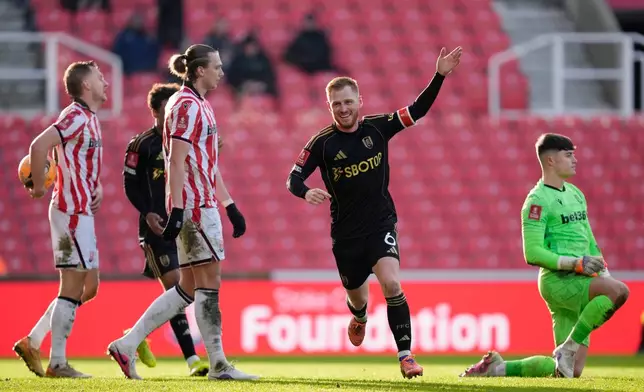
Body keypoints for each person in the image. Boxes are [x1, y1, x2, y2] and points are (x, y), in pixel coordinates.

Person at [286, 47, 462, 379]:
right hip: (345, 235)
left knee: (392, 284)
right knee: (356, 296)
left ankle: (406, 356)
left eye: (348, 101)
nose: (343, 108)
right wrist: (305, 190)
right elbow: (293, 177)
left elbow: (417, 110)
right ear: (329, 107)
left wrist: (439, 75)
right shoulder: (322, 143)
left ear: (359, 102)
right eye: (336, 104)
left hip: (381, 223)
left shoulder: (379, 128)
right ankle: (360, 315)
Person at [108, 44, 257, 381]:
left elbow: (205, 163)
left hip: (200, 203)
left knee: (187, 288)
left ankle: (127, 343)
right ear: (200, 70)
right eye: (216, 67)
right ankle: (218, 364)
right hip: (195, 207)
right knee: (209, 282)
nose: (221, 72)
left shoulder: (196, 104)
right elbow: (176, 159)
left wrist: (229, 204)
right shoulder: (188, 105)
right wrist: (177, 209)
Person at [460, 133, 630, 378]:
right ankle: (568, 348)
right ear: (550, 161)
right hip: (559, 280)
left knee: (570, 371)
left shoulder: (576, 194)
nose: (575, 160)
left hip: (580, 277)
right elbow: (532, 252)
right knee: (619, 292)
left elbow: (588, 238)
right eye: (568, 155)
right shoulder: (537, 201)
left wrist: (603, 270)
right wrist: (575, 263)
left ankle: (498, 367)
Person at [13, 60, 108, 378]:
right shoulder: (74, 116)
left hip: (83, 211)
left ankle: (33, 340)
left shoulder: (91, 119)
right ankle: (58, 362)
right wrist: (39, 188)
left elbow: (79, 161)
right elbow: (38, 146)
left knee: (89, 287)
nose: (105, 80)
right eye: (99, 77)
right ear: (86, 86)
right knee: (72, 285)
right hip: (69, 212)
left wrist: (97, 187)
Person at [122, 82, 223, 376]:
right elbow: (130, 186)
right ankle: (193, 361)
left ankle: (134, 338)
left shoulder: (186, 138)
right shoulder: (141, 145)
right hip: (157, 228)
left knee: (186, 290)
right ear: (154, 111)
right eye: (168, 110)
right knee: (179, 285)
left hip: (185, 221)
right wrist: (148, 212)